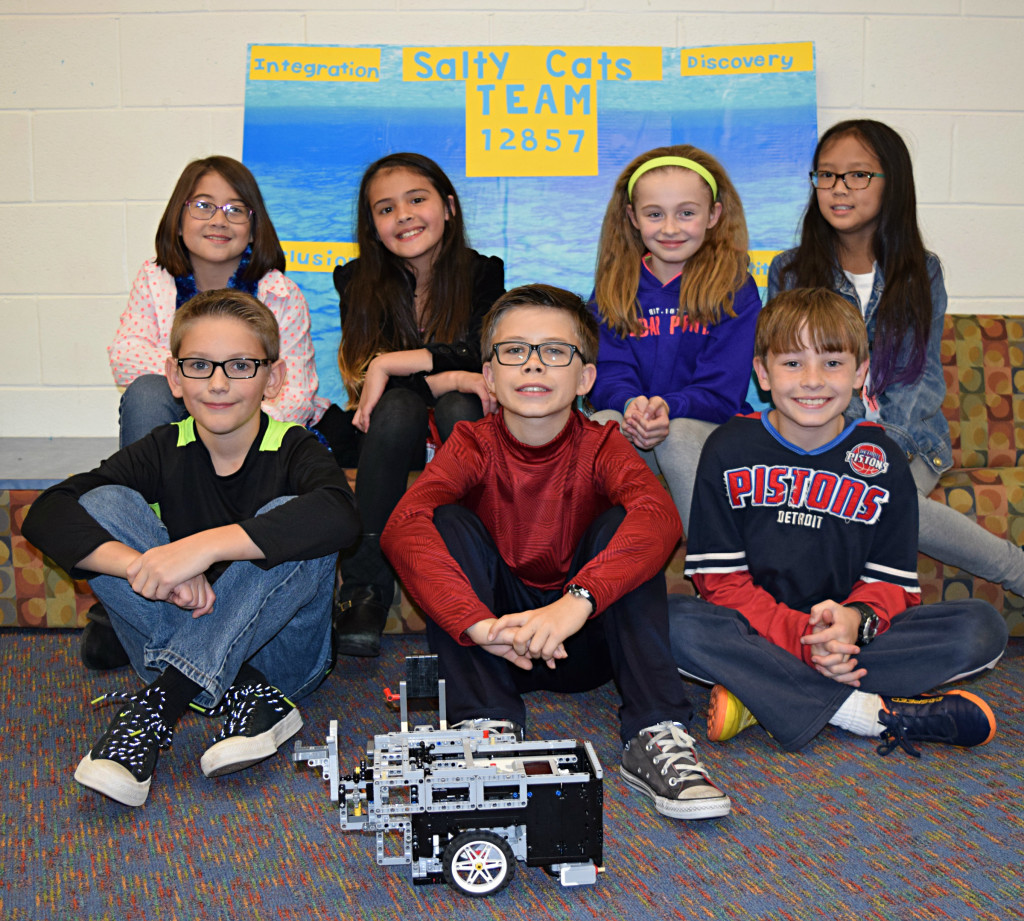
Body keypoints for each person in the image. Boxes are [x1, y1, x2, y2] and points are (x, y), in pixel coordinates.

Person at [381, 284, 732, 822]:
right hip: (494, 646)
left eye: (555, 352)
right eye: (515, 351)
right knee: (443, 521)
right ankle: (484, 724)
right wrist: (475, 624)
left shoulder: (603, 444)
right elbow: (403, 525)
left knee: (631, 523)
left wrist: (577, 602)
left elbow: (662, 517)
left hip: (581, 642)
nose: (534, 366)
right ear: (490, 375)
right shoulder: (471, 442)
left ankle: (654, 733)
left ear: (585, 377)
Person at [23, 290, 359, 808]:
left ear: (275, 377)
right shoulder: (165, 445)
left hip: (283, 662)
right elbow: (49, 510)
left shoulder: (296, 446)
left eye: (241, 365)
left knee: (301, 518)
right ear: (175, 377)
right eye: (200, 365)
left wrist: (200, 549)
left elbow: (341, 515)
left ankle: (157, 707)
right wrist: (146, 565)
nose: (219, 383)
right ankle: (245, 695)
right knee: (106, 501)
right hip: (181, 632)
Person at [669, 288, 1007, 757]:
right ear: (762, 374)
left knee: (982, 628)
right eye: (792, 364)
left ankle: (763, 693)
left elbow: (891, 585)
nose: (812, 380)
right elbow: (719, 582)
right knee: (671, 623)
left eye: (832, 363)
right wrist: (801, 639)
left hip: (851, 638)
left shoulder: (884, 458)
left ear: (860, 374)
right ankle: (868, 714)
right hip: (753, 627)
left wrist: (854, 622)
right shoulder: (729, 448)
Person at [91, 156, 331, 671]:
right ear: (178, 217)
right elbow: (126, 354)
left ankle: (198, 606)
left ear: (254, 225)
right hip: (183, 430)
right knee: (147, 393)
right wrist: (203, 379)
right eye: (203, 205)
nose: (218, 219)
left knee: (285, 473)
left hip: (252, 443)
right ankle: (156, 565)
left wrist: (224, 398)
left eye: (235, 208)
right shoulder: (155, 279)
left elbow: (294, 394)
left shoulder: (278, 291)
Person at [768, 119, 1024, 596]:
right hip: (814, 438)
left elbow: (919, 377)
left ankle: (1016, 571)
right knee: (851, 501)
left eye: (858, 175)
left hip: (907, 443)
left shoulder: (922, 272)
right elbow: (795, 374)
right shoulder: (789, 270)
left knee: (880, 495)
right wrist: (838, 443)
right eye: (826, 175)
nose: (838, 188)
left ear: (894, 184)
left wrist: (879, 446)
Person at [327, 152, 504, 658]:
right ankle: (365, 589)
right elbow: (368, 370)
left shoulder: (483, 274)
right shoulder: (355, 280)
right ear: (373, 226)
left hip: (461, 427)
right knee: (403, 406)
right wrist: (443, 373)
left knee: (457, 404)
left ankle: (477, 576)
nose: (402, 215)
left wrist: (407, 367)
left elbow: (482, 354)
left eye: (417, 199)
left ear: (448, 207)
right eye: (385, 209)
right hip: (392, 436)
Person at [589, 145, 761, 533]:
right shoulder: (614, 286)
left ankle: (714, 568)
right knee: (602, 425)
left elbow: (722, 392)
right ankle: (599, 572)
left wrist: (667, 406)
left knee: (679, 433)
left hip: (707, 431)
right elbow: (607, 373)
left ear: (713, 215)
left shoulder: (735, 287)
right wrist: (632, 404)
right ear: (633, 217)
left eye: (686, 212)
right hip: (639, 426)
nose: (669, 228)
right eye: (654, 214)